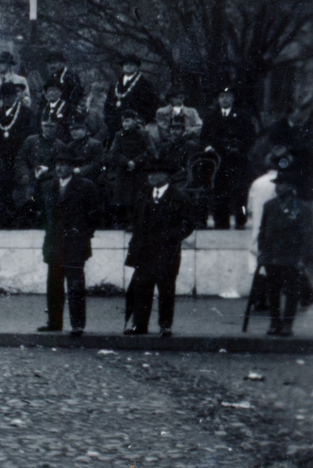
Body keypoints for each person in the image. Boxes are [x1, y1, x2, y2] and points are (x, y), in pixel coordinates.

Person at [123, 159, 195, 337]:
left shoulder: (178, 197)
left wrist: (169, 237)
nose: (152, 177)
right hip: (144, 252)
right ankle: (140, 324)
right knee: (141, 288)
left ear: (167, 176)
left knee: (166, 289)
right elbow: (137, 223)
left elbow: (188, 224)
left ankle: (165, 325)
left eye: (157, 173)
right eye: (150, 173)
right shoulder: (143, 195)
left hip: (166, 252)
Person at [39, 148, 98, 336]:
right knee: (54, 286)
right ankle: (54, 322)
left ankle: (77, 324)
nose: (60, 168)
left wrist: (83, 233)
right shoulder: (48, 186)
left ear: (72, 167)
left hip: (75, 244)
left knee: (75, 286)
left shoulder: (86, 186)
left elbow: (95, 215)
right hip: (54, 244)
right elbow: (40, 211)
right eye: (57, 164)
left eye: (64, 164)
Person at [256, 173, 310, 336]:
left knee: (291, 292)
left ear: (292, 187)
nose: (279, 188)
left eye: (284, 184)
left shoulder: (302, 208)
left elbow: (307, 235)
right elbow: (263, 230)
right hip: (271, 256)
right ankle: (274, 322)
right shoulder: (269, 206)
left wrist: (303, 258)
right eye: (277, 184)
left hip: (290, 257)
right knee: (273, 291)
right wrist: (261, 251)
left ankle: (287, 323)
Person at [201, 88, 255, 229]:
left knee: (239, 190)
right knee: (219, 190)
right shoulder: (211, 117)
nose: (225, 99)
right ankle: (221, 221)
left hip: (236, 159)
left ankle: (240, 220)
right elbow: (204, 137)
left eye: (228, 96)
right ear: (218, 99)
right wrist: (208, 147)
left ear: (233, 99)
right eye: (222, 96)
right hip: (217, 159)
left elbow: (250, 136)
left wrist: (240, 149)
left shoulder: (242, 116)